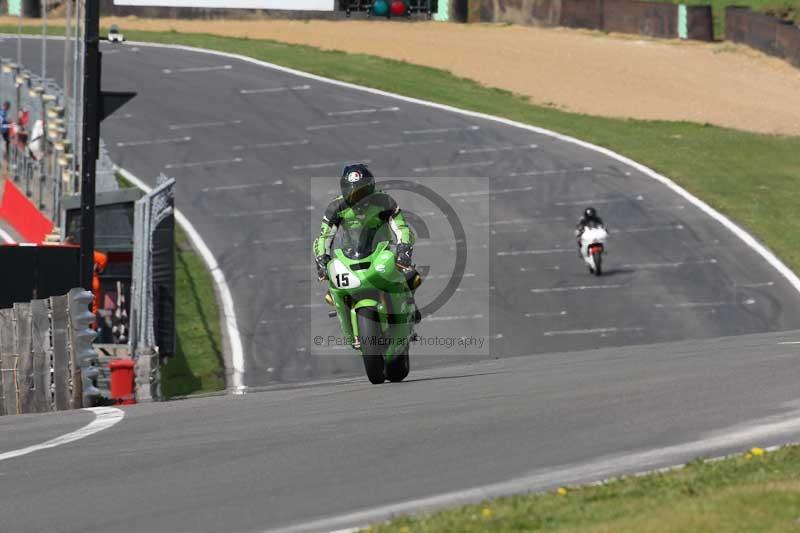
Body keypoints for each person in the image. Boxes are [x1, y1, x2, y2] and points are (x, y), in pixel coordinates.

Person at [313, 164, 421, 322]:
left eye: (361, 192)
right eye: (350, 192)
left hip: (382, 251)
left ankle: (409, 304)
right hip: (350, 254)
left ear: (371, 188)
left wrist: (403, 249)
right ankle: (344, 312)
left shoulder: (385, 202)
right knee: (331, 293)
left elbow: (402, 229)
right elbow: (324, 237)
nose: (355, 197)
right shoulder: (335, 207)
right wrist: (322, 259)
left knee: (412, 276)